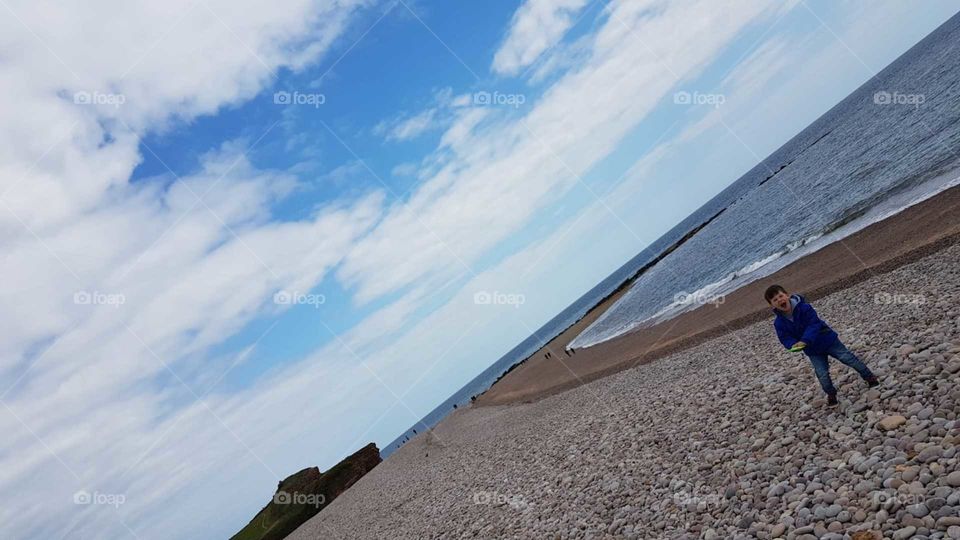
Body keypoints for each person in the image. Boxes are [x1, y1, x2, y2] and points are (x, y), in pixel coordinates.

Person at [765, 284, 879, 406]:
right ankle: (831, 394)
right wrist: (793, 345)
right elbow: (784, 337)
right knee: (821, 374)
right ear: (772, 305)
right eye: (775, 300)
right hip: (813, 350)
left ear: (787, 295)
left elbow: (813, 324)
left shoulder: (804, 308)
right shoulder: (779, 323)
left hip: (828, 340)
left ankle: (869, 377)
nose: (780, 300)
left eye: (781, 296)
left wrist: (805, 340)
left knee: (848, 358)